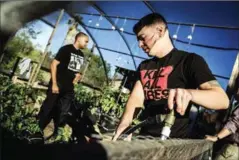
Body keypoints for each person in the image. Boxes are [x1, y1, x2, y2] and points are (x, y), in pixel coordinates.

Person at [112, 13, 229, 141]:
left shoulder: (189, 61)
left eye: (142, 38)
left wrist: (189, 93)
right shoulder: (144, 66)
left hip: (172, 142)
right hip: (144, 138)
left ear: (160, 31)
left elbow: (222, 100)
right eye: (138, 40)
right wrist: (125, 124)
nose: (140, 44)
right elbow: (136, 99)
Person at [37, 32, 89, 137]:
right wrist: (54, 84)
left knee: (64, 111)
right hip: (58, 83)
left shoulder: (81, 55)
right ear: (78, 39)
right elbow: (54, 64)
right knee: (48, 107)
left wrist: (77, 77)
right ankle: (37, 129)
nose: (87, 44)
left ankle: (57, 133)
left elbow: (73, 70)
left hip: (69, 87)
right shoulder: (66, 49)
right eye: (86, 41)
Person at [205, 75, 239, 160]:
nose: (237, 90)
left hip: (232, 150)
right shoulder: (234, 104)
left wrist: (216, 137)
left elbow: (234, 123)